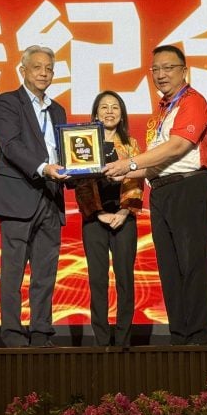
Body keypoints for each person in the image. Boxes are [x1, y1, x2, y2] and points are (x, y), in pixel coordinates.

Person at [104, 45, 207, 345]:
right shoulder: (161, 111)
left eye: (169, 68)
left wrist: (129, 164)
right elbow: (157, 161)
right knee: (169, 267)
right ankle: (179, 336)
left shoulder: (192, 101)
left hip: (188, 188)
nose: (161, 74)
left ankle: (198, 338)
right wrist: (121, 171)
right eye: (156, 69)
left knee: (192, 265)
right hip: (162, 191)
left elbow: (178, 147)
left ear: (184, 70)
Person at [0, 45, 70, 348]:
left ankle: (41, 332)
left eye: (49, 68)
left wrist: (78, 167)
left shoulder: (58, 109)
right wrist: (43, 168)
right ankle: (11, 333)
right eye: (37, 67)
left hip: (51, 196)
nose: (44, 73)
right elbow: (10, 145)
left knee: (45, 272)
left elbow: (65, 150)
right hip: (18, 197)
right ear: (23, 71)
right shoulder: (9, 102)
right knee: (13, 271)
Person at [74, 91, 144, 347]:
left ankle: (124, 340)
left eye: (115, 107)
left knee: (125, 279)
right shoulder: (83, 144)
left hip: (124, 217)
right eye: (104, 107)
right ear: (95, 114)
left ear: (122, 115)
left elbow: (137, 180)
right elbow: (81, 183)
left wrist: (124, 212)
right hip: (95, 219)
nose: (110, 111)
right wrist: (99, 213)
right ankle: (102, 341)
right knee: (97, 280)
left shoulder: (131, 144)